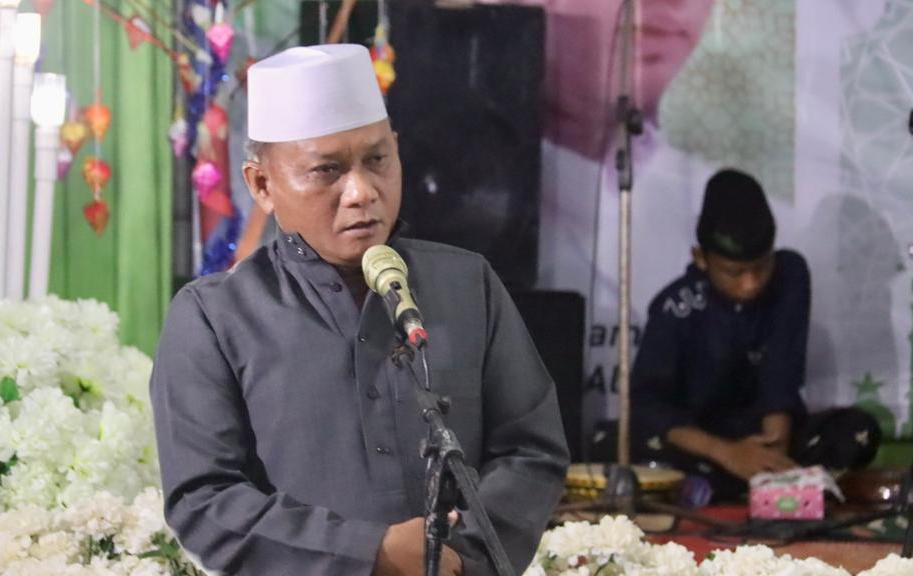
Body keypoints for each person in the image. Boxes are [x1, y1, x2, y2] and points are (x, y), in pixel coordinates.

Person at [149, 44, 569, 575]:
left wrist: (458, 559)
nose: (361, 192)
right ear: (262, 185)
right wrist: (371, 555)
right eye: (327, 170)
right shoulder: (213, 318)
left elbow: (531, 449)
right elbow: (204, 501)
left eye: (377, 160)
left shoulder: (467, 284)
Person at [630, 168, 881, 501]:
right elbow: (647, 405)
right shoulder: (675, 307)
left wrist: (773, 460)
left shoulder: (790, 275)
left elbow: (780, 376)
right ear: (701, 258)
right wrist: (728, 454)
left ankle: (734, 490)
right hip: (703, 442)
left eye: (761, 267)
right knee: (624, 444)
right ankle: (729, 485)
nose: (750, 283)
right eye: (734, 272)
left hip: (767, 437)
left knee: (858, 431)